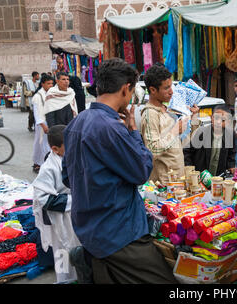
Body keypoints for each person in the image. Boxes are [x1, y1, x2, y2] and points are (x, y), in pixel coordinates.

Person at [62, 58, 177, 284]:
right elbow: (142, 170)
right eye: (133, 92)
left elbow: (67, 177)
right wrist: (133, 131)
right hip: (119, 232)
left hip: (89, 229)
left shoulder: (77, 122)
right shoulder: (111, 127)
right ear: (126, 89)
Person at [32, 125, 81, 284]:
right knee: (62, 253)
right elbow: (44, 199)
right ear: (55, 148)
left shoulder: (70, 157)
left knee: (77, 250)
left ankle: (79, 277)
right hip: (59, 220)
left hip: (74, 215)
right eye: (70, 145)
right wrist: (77, 199)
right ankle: (64, 281)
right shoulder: (49, 168)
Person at [141, 64, 200, 183]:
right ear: (152, 90)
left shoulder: (168, 110)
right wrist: (174, 132)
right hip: (163, 185)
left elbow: (185, 142)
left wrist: (193, 118)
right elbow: (152, 150)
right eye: (166, 88)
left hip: (177, 181)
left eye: (171, 86)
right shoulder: (150, 114)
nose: (171, 92)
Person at [184, 104, 237, 177]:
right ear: (211, 118)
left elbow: (231, 153)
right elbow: (187, 151)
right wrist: (190, 169)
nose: (218, 122)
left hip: (219, 176)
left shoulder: (230, 134)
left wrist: (231, 166)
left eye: (223, 120)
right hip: (200, 174)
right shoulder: (202, 132)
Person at [31, 75, 54, 173]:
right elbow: (37, 113)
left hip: (50, 122)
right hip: (42, 124)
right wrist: (42, 125)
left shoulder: (51, 94)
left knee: (47, 145)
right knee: (40, 145)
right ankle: (38, 164)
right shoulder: (38, 96)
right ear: (42, 84)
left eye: (52, 83)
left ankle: (44, 164)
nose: (50, 85)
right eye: (48, 83)